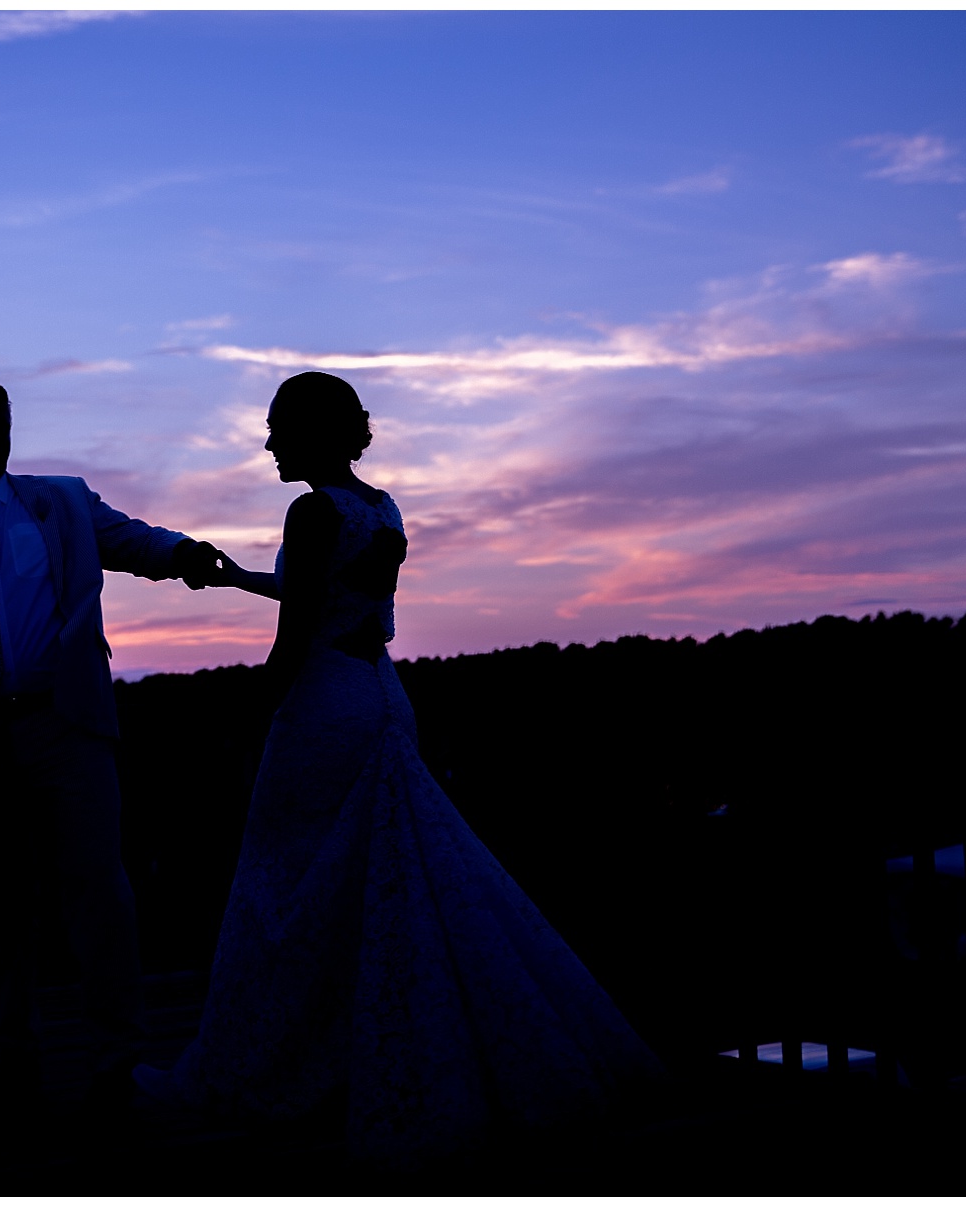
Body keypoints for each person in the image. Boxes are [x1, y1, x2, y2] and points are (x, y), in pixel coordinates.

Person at [133, 371, 664, 1164]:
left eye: (278, 427)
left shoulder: (311, 510)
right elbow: (323, 591)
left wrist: (242, 723)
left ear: (312, 431)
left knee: (287, 886)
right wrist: (237, 575)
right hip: (381, 691)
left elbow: (295, 633)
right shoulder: (378, 505)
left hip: (322, 708)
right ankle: (353, 1051)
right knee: (373, 879)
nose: (269, 442)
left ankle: (272, 1063)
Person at [0, 377, 221, 1107]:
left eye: (0, 420)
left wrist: (184, 553)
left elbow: (130, 539)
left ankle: (117, 1057)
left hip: (68, 725)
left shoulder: (61, 499)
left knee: (100, 893)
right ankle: (6, 1055)